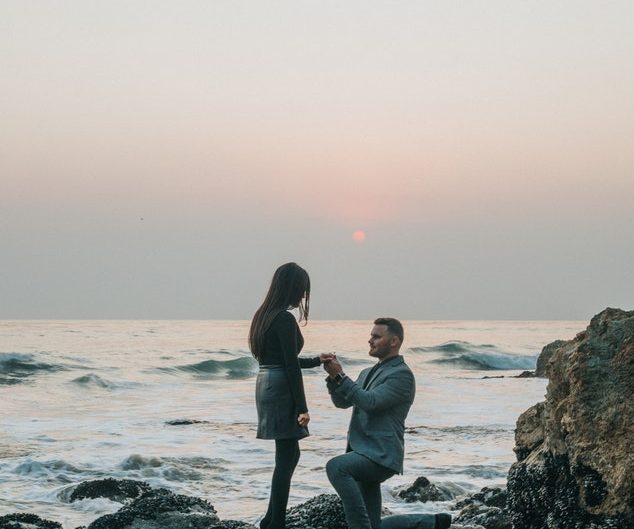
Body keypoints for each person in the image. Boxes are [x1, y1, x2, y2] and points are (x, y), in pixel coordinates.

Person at [323, 318, 451, 529]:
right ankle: (435, 522)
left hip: (381, 455)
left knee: (336, 467)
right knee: (375, 526)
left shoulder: (402, 375)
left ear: (394, 342)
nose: (370, 340)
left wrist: (340, 376)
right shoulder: (367, 372)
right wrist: (334, 378)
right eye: (371, 335)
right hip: (362, 450)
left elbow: (370, 402)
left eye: (376, 336)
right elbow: (343, 402)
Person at [249, 262, 333, 529]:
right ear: (290, 288)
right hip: (281, 387)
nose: (302, 297)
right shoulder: (284, 318)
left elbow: (283, 360)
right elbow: (290, 367)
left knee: (288, 454)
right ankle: (276, 524)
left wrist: (317, 360)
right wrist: (302, 408)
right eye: (301, 291)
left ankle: (270, 519)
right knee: (286, 456)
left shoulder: (263, 315)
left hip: (266, 383)